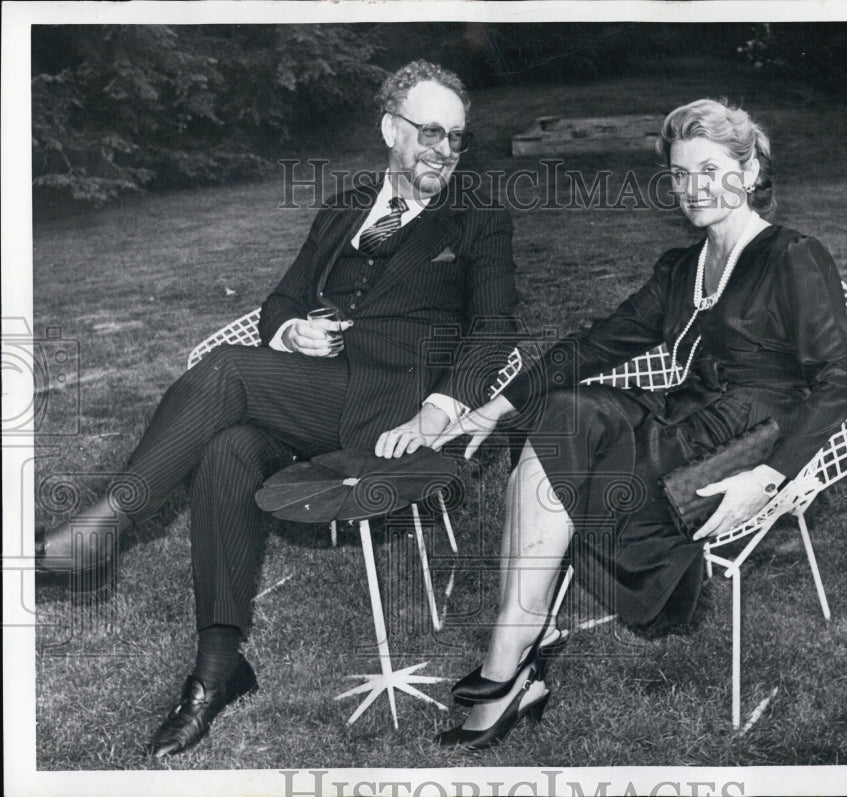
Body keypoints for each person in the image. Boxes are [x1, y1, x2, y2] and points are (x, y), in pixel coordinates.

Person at [34, 60, 518, 757]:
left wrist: (441, 410)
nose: (444, 149)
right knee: (228, 449)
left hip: (391, 409)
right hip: (312, 392)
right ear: (390, 129)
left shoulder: (479, 217)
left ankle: (103, 528)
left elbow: (495, 328)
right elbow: (282, 302)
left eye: (457, 137)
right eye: (430, 131)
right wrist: (294, 332)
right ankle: (217, 669)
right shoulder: (345, 206)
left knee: (227, 371)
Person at [430, 98, 847, 749]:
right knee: (559, 415)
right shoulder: (681, 267)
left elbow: (838, 384)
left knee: (582, 468)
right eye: (682, 175)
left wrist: (769, 478)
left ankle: (507, 668)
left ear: (749, 173)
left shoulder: (794, 257)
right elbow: (594, 343)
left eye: (712, 170)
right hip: (684, 417)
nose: (695, 189)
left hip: (746, 444)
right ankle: (520, 643)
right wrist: (495, 406)